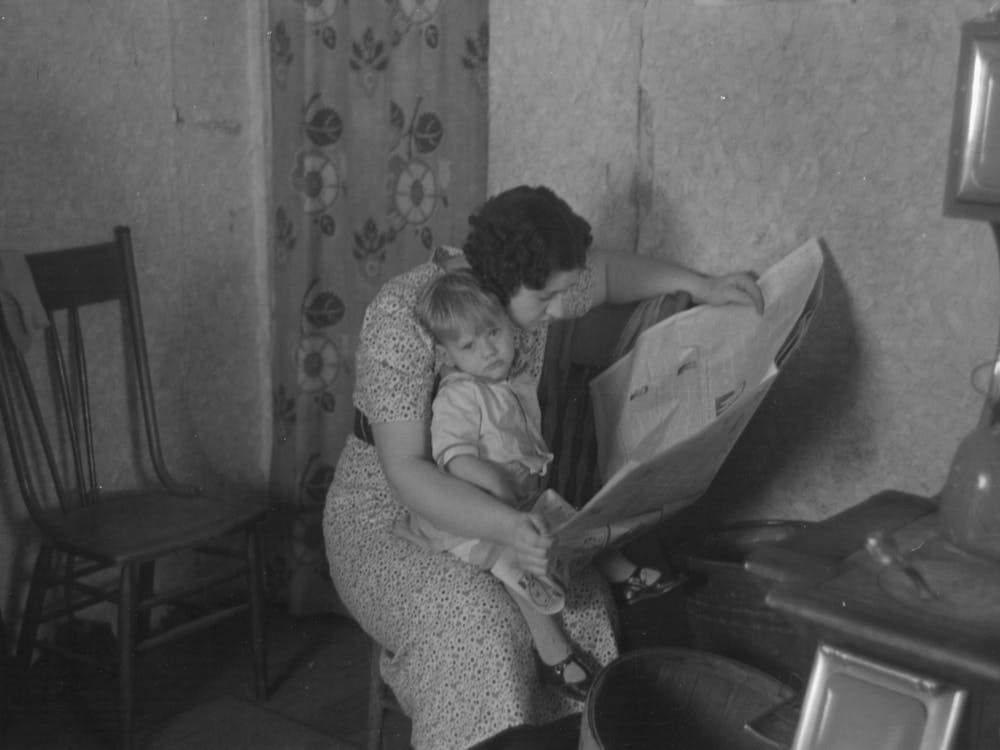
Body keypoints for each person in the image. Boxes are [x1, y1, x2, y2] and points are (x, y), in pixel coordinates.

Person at [322, 185, 763, 750]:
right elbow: (408, 473)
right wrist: (508, 528)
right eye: (549, 298)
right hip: (390, 517)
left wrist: (699, 283)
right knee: (478, 625)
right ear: (497, 282)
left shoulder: (525, 286)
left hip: (507, 504)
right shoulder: (403, 315)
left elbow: (601, 276)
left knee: (577, 604)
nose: (562, 307)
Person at [396, 269, 688, 700]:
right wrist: (491, 476)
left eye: (493, 332)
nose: (488, 351)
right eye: (469, 346)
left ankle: (623, 574)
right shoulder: (458, 394)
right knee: (517, 565)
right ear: (446, 355)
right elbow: (453, 457)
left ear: (508, 325)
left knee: (574, 522)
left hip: (520, 503)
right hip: (472, 514)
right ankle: (554, 653)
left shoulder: (513, 383)